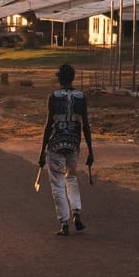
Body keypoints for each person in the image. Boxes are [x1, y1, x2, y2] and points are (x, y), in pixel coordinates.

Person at [37, 63, 94, 236]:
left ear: (59, 78)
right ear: (73, 77)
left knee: (57, 184)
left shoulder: (53, 97)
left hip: (56, 144)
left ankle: (64, 222)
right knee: (72, 178)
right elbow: (85, 125)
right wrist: (91, 151)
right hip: (73, 144)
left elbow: (48, 125)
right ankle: (76, 211)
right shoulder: (81, 97)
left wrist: (42, 151)